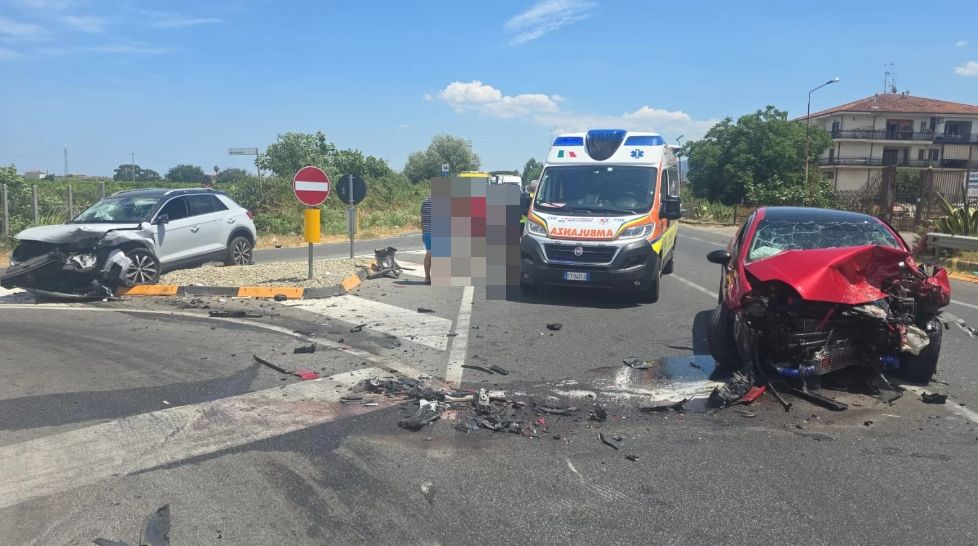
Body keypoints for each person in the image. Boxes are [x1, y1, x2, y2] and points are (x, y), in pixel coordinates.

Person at [421, 194, 432, 284]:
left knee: (429, 253)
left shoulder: (425, 202)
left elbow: (422, 219)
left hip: (427, 232)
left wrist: (423, 233)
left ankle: (427, 277)